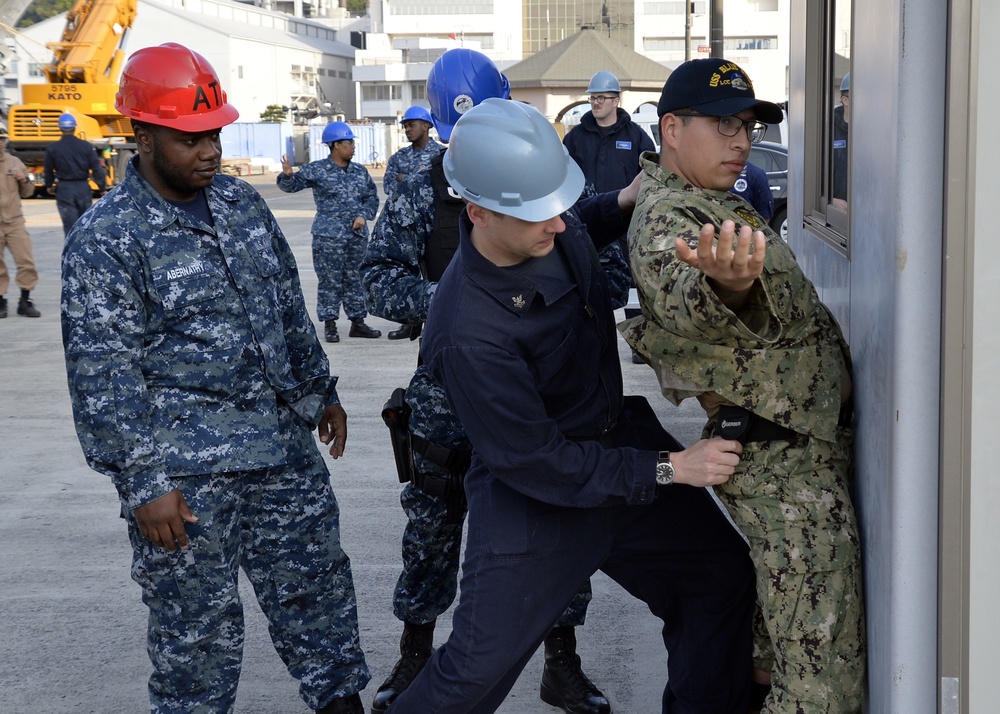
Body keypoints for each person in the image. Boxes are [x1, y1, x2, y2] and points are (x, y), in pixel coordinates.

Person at [387, 97, 755, 713]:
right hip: (538, 497)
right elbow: (536, 459)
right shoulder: (467, 332)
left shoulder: (542, 222)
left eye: (557, 205)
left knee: (719, 583)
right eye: (539, 215)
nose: (557, 226)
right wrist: (673, 468)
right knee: (473, 674)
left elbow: (576, 223)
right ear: (476, 211)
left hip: (615, 445)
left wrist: (621, 200)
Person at [60, 43, 370, 714]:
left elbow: (285, 301)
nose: (209, 151)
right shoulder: (107, 238)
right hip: (186, 479)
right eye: (189, 137)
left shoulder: (237, 203)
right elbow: (103, 373)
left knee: (319, 599)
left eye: (215, 135)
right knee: (196, 639)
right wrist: (144, 483)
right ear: (141, 135)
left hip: (281, 451)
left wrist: (321, 392)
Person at [361, 48, 628, 714]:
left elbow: (577, 235)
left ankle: (561, 664)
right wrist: (465, 304)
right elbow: (377, 280)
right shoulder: (420, 182)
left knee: (552, 520)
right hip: (452, 391)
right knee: (432, 531)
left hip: (538, 385)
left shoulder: (537, 170)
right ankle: (416, 657)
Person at [622, 57, 866, 713]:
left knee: (773, 655)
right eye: (724, 123)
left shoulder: (716, 199)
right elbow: (681, 292)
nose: (741, 140)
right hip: (782, 466)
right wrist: (725, 285)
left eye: (749, 126)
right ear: (671, 128)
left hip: (795, 449)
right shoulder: (669, 217)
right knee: (823, 685)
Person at [563, 70, 655, 364]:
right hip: (587, 224)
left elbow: (650, 177)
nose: (596, 102)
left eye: (602, 97)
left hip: (627, 225)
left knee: (634, 285)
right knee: (588, 283)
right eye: (592, 97)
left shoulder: (636, 137)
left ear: (616, 100)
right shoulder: (576, 138)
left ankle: (639, 344)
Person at [278, 122, 381, 343]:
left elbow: (372, 197)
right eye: (348, 142)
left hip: (357, 236)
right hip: (328, 236)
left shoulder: (359, 172)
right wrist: (287, 176)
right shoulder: (317, 169)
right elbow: (292, 185)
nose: (353, 147)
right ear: (335, 145)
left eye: (353, 142)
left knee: (356, 278)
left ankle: (358, 322)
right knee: (329, 280)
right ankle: (330, 324)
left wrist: (363, 214)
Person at [383, 105, 443, 340]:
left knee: (435, 274)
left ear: (427, 126)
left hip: (434, 224)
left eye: (412, 124)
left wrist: (405, 179)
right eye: (405, 126)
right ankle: (408, 322)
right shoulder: (398, 157)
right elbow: (390, 187)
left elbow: (443, 189)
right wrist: (416, 182)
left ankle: (436, 318)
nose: (408, 129)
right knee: (406, 272)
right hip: (405, 225)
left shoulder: (441, 154)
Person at [43, 112, 107, 237]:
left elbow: (48, 170)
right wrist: (102, 188)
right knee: (85, 224)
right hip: (83, 188)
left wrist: (49, 185)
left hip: (64, 190)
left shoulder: (53, 148)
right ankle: (86, 253)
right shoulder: (86, 146)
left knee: (70, 226)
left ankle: (71, 253)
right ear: (74, 127)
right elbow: (97, 168)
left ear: (60, 128)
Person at [0, 125, 41, 318]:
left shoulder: (14, 162)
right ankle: (1, 301)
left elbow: (28, 192)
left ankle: (25, 301)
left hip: (15, 221)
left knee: (26, 262)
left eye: (2, 139)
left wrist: (24, 179)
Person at [832, 72, 849, 209]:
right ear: (845, 100)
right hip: (838, 211)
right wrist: (831, 200)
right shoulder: (828, 128)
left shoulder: (871, 130)